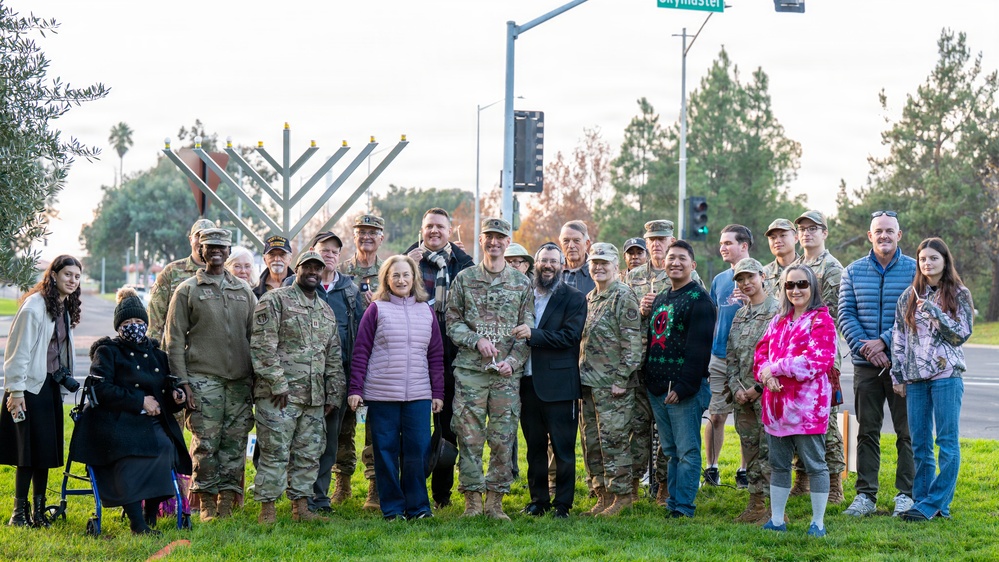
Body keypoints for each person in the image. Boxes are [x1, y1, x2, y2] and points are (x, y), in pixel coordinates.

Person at [68, 288, 192, 535]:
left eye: (138, 322)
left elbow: (164, 392)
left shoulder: (157, 355)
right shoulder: (108, 352)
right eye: (127, 323)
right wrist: (139, 401)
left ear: (145, 324)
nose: (133, 326)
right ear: (118, 326)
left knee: (165, 447)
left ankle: (150, 513)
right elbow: (101, 389)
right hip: (113, 419)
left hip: (150, 422)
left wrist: (176, 397)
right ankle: (137, 523)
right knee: (128, 450)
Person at [165, 228, 256, 521]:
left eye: (221, 247)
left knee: (235, 443)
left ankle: (227, 501)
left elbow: (256, 338)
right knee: (206, 443)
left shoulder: (244, 291)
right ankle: (205, 502)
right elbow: (174, 340)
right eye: (209, 246)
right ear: (201, 251)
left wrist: (257, 380)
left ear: (228, 252)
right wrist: (182, 382)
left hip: (240, 382)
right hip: (203, 379)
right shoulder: (188, 289)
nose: (216, 251)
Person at [445, 217, 533, 520]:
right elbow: (452, 322)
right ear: (481, 240)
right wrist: (475, 339)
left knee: (502, 437)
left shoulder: (522, 283)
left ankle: (495, 500)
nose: (494, 242)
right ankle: (472, 499)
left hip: (506, 377)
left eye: (500, 237)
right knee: (468, 436)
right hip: (471, 371)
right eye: (488, 237)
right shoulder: (465, 279)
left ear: (507, 243)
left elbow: (527, 329)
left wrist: (514, 361)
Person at [347, 255, 445, 521]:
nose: (401, 280)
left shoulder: (426, 311)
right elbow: (361, 351)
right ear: (387, 280)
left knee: (418, 452)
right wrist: (356, 389)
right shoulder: (376, 309)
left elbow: (435, 355)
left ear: (414, 279)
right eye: (395, 276)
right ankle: (391, 508)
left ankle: (419, 507)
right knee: (385, 452)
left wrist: (437, 393)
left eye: (406, 275)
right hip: (381, 395)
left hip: (419, 395)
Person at [251, 250, 344, 524]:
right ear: (298, 269)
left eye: (318, 268)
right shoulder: (275, 300)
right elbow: (262, 346)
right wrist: (278, 383)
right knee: (274, 452)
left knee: (308, 454)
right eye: (308, 267)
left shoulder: (325, 311)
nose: (313, 272)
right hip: (280, 397)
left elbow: (334, 356)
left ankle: (301, 507)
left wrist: (333, 393)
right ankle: (267, 509)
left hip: (314, 398)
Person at [839, 210, 917, 517]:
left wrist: (884, 341)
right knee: (867, 431)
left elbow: (915, 313)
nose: (884, 236)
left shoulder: (915, 269)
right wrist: (869, 350)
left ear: (899, 235)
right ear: (870, 236)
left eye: (889, 231)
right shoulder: (853, 271)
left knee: (906, 432)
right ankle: (865, 496)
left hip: (904, 366)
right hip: (866, 366)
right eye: (878, 231)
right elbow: (845, 314)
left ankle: (906, 495)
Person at [890, 238, 973, 522]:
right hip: (915, 379)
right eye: (923, 259)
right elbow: (898, 338)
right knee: (921, 444)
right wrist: (898, 375)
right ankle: (924, 502)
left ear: (944, 261)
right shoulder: (908, 297)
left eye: (933, 258)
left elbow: (961, 333)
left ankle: (935, 503)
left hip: (946, 376)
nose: (927, 263)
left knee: (947, 442)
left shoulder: (959, 294)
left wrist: (935, 312)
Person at [284, 231, 364, 514]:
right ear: (312, 255)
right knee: (298, 441)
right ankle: (297, 496)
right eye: (323, 250)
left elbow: (359, 340)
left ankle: (320, 496)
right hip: (297, 380)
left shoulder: (352, 291)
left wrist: (355, 381)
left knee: (329, 441)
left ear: (339, 256)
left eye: (334, 251)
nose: (328, 255)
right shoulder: (294, 287)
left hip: (335, 378)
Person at [755, 264, 837, 538]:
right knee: (778, 465)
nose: (796, 290)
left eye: (802, 284)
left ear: (813, 287)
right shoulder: (778, 320)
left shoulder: (821, 320)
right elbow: (760, 354)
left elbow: (818, 360)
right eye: (790, 285)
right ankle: (777, 520)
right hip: (776, 407)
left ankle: (818, 523)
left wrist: (775, 369)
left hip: (807, 409)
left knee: (815, 465)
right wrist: (766, 377)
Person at [1, 255, 82, 528]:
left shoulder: (62, 307)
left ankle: (37, 513)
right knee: (27, 453)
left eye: (77, 276)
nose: (72, 280)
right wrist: (15, 392)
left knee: (45, 453)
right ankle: (18, 514)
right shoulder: (34, 306)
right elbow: (17, 352)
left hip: (49, 388)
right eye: (68, 274)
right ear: (54, 275)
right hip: (28, 388)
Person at [404, 208, 475, 508]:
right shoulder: (407, 262)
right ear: (422, 230)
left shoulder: (464, 264)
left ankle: (442, 495)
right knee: (415, 430)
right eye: (429, 226)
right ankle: (413, 489)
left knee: (448, 427)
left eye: (440, 227)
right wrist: (410, 265)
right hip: (414, 355)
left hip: (452, 356)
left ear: (449, 230)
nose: (434, 231)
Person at [642, 241, 715, 519]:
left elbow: (699, 350)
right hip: (658, 388)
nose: (675, 262)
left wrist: (684, 387)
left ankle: (684, 507)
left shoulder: (699, 300)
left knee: (686, 450)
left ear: (692, 265)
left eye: (682, 259)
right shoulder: (661, 297)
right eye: (671, 258)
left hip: (681, 391)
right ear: (663, 264)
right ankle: (673, 502)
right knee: (671, 450)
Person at [512, 243, 585, 519]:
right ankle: (538, 501)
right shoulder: (525, 295)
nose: (548, 265)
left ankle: (563, 504)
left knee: (564, 449)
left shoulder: (574, 298)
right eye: (544, 260)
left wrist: (533, 334)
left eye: (554, 261)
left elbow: (570, 337)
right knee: (534, 448)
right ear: (536, 264)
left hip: (559, 386)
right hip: (528, 383)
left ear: (562, 266)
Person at [578, 243, 643, 517]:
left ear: (616, 266)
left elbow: (634, 342)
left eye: (605, 262)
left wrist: (621, 378)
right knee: (592, 441)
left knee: (614, 441)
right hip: (589, 383)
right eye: (594, 262)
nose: (599, 267)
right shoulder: (591, 297)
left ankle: (622, 496)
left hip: (613, 385)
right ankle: (602, 494)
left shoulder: (623, 295)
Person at [787, 211, 846, 503]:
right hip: (795, 354)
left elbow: (832, 314)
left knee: (826, 419)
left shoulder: (832, 268)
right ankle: (803, 477)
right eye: (802, 229)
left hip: (822, 355)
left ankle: (834, 482)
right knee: (798, 414)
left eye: (813, 228)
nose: (806, 233)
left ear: (825, 233)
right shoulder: (798, 266)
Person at [337, 213, 385, 509]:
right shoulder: (340, 271)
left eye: (372, 232)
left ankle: (375, 486)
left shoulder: (390, 271)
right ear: (353, 236)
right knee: (343, 424)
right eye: (361, 232)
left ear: (382, 237)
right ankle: (341, 483)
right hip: (344, 358)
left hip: (378, 360)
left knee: (376, 425)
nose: (366, 236)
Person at [725, 258, 780, 524]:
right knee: (751, 450)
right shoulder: (740, 314)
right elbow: (731, 356)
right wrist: (736, 387)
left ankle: (775, 510)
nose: (746, 283)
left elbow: (780, 355)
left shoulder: (778, 311)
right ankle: (755, 504)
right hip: (742, 397)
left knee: (770, 452)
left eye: (750, 277)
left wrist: (756, 389)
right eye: (740, 279)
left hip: (769, 393)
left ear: (763, 276)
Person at [705, 224, 753, 488]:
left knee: (746, 418)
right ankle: (712, 468)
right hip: (719, 356)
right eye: (721, 243)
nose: (722, 247)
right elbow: (714, 317)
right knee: (716, 414)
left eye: (728, 243)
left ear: (743, 246)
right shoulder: (719, 280)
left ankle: (745, 470)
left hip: (748, 359)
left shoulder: (761, 275)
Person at [146, 218, 215, 340]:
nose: (202, 241)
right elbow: (155, 317)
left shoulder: (224, 273)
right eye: (198, 236)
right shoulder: (171, 272)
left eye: (207, 236)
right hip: (176, 349)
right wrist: (152, 351)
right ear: (190, 240)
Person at [762, 219, 799, 300]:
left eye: (782, 235)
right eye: (772, 238)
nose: (777, 241)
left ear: (796, 238)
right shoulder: (762, 274)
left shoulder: (808, 269)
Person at [558, 220, 595, 295]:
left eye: (576, 241)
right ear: (561, 244)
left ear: (587, 244)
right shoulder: (554, 271)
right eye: (566, 241)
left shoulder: (596, 271)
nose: (571, 246)